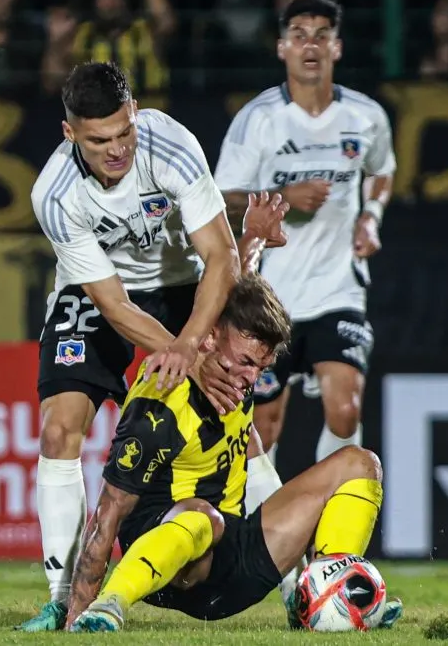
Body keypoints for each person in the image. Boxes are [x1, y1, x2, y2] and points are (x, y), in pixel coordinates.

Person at [20, 61, 286, 632]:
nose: (116, 150)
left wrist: (192, 344)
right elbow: (114, 306)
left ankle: (298, 586)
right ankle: (61, 595)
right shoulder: (54, 194)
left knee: (242, 429)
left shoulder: (172, 144)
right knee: (59, 427)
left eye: (124, 132)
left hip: (182, 284)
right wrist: (189, 357)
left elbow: (221, 259)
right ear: (71, 135)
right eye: (99, 140)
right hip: (96, 293)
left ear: (135, 114)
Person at [64, 268, 403, 632]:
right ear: (208, 337)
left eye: (262, 366)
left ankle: (322, 598)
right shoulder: (161, 402)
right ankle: (110, 606)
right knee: (202, 517)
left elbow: (226, 273)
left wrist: (254, 234)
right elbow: (108, 515)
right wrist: (79, 614)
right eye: (246, 362)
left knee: (360, 463)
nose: (252, 379)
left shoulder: (233, 373)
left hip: (233, 550)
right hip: (173, 568)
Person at [212, 0, 396, 612]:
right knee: (263, 428)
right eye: (299, 33)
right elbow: (221, 197)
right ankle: (287, 566)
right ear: (283, 47)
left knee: (346, 405)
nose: (311, 44)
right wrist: (287, 191)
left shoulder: (366, 116)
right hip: (273, 300)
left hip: (338, 290)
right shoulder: (260, 120)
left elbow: (383, 170)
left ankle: (336, 558)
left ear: (337, 47)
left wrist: (370, 217)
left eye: (322, 34)